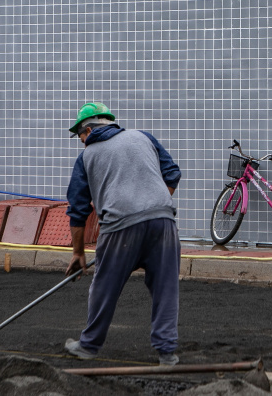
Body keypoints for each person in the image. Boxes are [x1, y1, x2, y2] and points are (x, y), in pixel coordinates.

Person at [63, 102, 182, 365]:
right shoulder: (143, 137)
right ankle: (167, 354)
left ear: (89, 130)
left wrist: (78, 252)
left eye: (80, 137)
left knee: (105, 286)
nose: (82, 142)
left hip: (119, 227)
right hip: (163, 220)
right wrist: (150, 205)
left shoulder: (87, 156)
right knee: (166, 288)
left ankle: (89, 346)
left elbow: (78, 210)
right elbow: (172, 174)